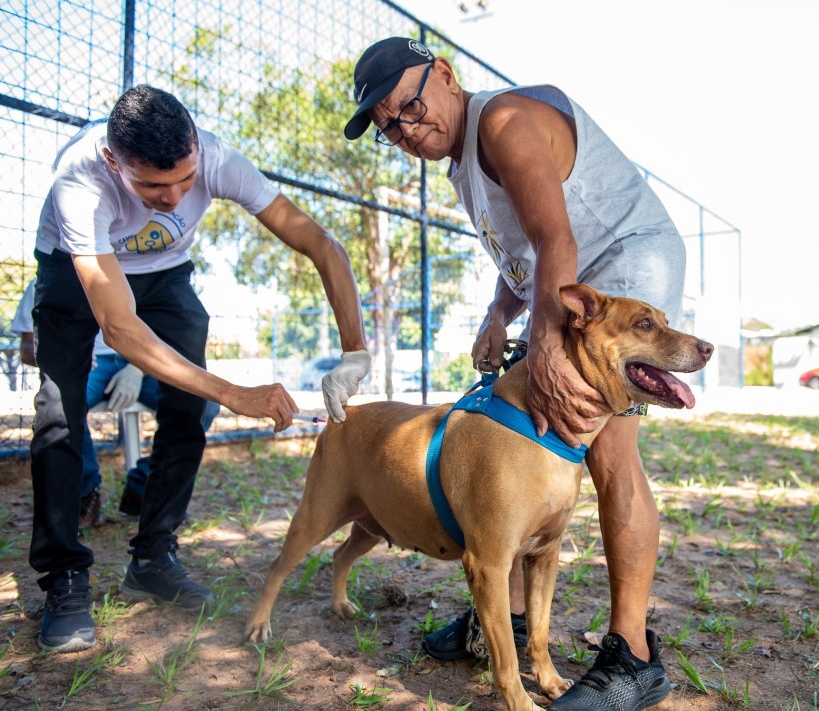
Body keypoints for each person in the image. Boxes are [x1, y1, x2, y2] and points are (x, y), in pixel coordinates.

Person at [343, 38, 687, 711]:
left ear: (443, 73)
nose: (405, 130)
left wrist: (552, 349)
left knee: (607, 447)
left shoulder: (501, 122)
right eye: (388, 127)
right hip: (567, 282)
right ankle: (508, 617)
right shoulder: (460, 163)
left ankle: (633, 659)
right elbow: (527, 254)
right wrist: (498, 315)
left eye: (409, 107)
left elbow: (557, 239)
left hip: (619, 266)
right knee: (516, 435)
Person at [30, 84, 371, 654]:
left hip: (165, 273)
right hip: (75, 270)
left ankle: (153, 557)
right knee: (58, 417)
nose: (173, 196)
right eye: (152, 186)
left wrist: (355, 348)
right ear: (115, 162)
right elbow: (119, 327)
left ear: (196, 150)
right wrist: (237, 392)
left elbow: (319, 242)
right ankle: (64, 577)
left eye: (185, 180)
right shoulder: (81, 183)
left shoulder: (217, 158)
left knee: (192, 405)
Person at [15, 283, 217, 527]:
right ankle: (86, 493)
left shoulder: (131, 271)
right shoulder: (46, 280)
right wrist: (66, 358)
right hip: (87, 361)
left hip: (138, 359)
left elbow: (161, 332)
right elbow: (27, 348)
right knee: (61, 407)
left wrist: (136, 368)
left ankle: (142, 488)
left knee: (203, 403)